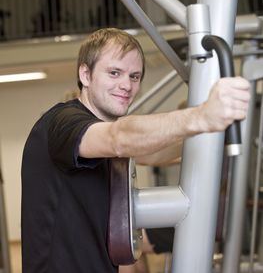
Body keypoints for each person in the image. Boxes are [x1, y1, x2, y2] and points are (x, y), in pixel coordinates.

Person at [21, 27, 250, 273]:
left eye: (134, 76)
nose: (126, 85)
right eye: (114, 73)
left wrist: (212, 132)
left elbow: (152, 152)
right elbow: (119, 138)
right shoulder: (62, 121)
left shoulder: (102, 139)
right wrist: (202, 117)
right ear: (85, 75)